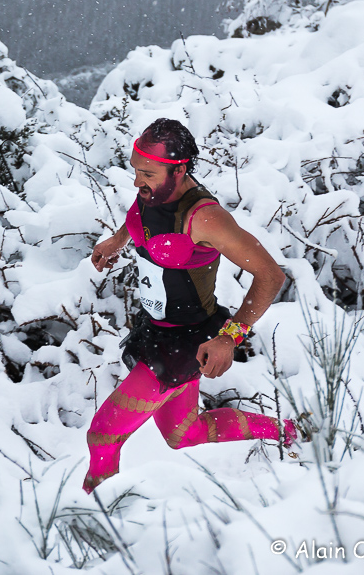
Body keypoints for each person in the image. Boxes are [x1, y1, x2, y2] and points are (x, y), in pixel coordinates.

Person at [82, 118, 294, 494]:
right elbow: (140, 220)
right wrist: (117, 241)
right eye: (135, 169)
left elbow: (270, 275)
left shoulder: (206, 218)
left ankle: (100, 523)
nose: (136, 181)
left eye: (146, 172)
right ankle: (291, 431)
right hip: (155, 330)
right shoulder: (154, 193)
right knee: (184, 434)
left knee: (103, 436)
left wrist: (229, 338)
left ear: (178, 170)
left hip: (186, 343)